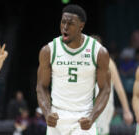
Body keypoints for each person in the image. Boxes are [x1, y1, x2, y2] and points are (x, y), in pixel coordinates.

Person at [36, 4, 111, 135]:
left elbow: (105, 89)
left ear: (81, 26)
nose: (65, 27)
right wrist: (47, 112)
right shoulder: (48, 50)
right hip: (56, 117)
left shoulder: (98, 52)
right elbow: (41, 86)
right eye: (63, 22)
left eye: (70, 23)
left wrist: (92, 117)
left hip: (83, 118)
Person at [91, 35, 133, 135]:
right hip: (86, 106)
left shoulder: (108, 62)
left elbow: (119, 87)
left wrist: (126, 111)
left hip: (103, 106)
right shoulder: (82, 63)